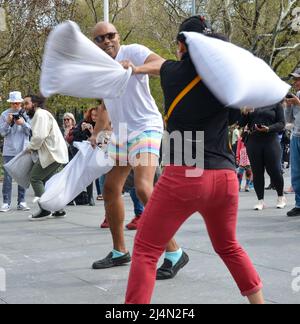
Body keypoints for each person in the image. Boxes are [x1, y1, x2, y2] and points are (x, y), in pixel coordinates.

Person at [125, 16, 264, 304]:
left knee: (146, 250)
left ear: (180, 45)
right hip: (225, 178)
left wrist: (135, 67)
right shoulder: (225, 79)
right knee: (229, 247)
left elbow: (157, 65)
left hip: (186, 175)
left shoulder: (173, 72)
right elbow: (236, 116)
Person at [90, 22, 189, 280]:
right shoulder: (100, 70)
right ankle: (119, 251)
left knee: (144, 187)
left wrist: (136, 69)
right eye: (100, 39)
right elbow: (104, 109)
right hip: (122, 133)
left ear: (118, 36)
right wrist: (98, 142)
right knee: (110, 188)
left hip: (146, 126)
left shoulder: (133, 51)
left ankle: (175, 252)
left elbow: (163, 65)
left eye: (110, 35)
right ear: (95, 44)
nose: (106, 41)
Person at [23, 95, 69, 221]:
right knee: (46, 182)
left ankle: (45, 209)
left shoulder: (40, 114)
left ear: (35, 104)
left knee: (35, 178)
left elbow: (39, 136)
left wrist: (30, 147)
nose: (24, 107)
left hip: (52, 154)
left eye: (26, 103)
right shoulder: (42, 114)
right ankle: (58, 209)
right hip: (55, 153)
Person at [239, 104, 286, 211]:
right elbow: (241, 123)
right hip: (254, 141)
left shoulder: (276, 103)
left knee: (275, 170)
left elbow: (282, 123)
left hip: (271, 140)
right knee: (257, 171)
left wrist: (268, 128)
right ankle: (260, 200)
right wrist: (245, 113)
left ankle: (281, 197)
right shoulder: (252, 102)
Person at [0, 91, 31, 213]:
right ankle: (6, 202)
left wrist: (23, 124)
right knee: (7, 178)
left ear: (21, 103)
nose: (15, 105)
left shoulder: (26, 114)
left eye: (18, 103)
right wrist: (8, 122)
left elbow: (31, 132)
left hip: (23, 149)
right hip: (9, 150)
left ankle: (22, 202)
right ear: (10, 103)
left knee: (22, 176)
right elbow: (2, 133)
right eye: (13, 103)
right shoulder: (4, 114)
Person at [72, 107, 98, 206]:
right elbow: (75, 136)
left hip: (95, 151)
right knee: (80, 172)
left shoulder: (101, 124)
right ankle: (79, 196)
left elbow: (102, 141)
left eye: (96, 115)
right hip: (82, 150)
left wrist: (92, 132)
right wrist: (82, 130)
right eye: (92, 115)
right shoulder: (84, 121)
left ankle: (90, 196)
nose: (94, 117)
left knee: (89, 172)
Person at [285, 68, 300, 217]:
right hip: (296, 136)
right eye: (294, 79)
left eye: (297, 79)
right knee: (296, 172)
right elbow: (288, 120)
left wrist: (298, 102)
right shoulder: (295, 96)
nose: (295, 82)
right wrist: (288, 105)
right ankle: (298, 204)